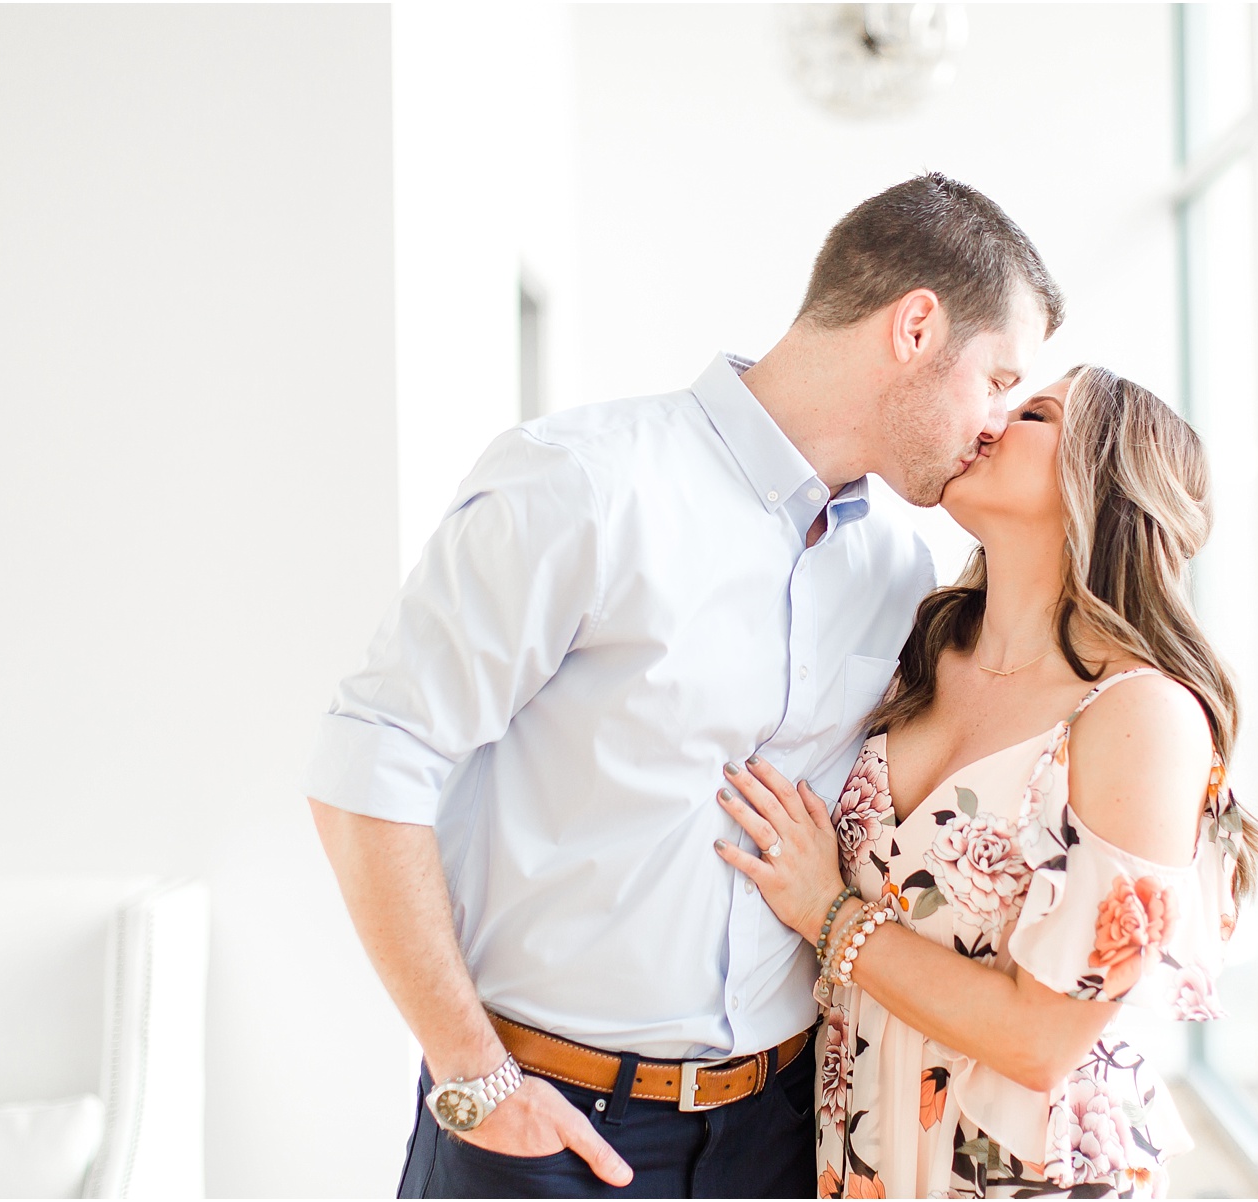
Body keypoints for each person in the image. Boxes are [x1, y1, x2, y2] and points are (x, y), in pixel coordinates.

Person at [302, 173, 1064, 1198]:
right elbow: (370, 754)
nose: (996, 423)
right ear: (916, 326)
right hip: (546, 1126)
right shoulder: (584, 484)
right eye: (1000, 378)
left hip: (780, 1133)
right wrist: (472, 1071)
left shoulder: (896, 570)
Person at [714, 365, 1258, 1198]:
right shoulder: (920, 652)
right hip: (857, 1150)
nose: (990, 422)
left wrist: (826, 911)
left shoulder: (1142, 717)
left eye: (1036, 414)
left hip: (1018, 1174)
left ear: (1107, 480)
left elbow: (1041, 1039)